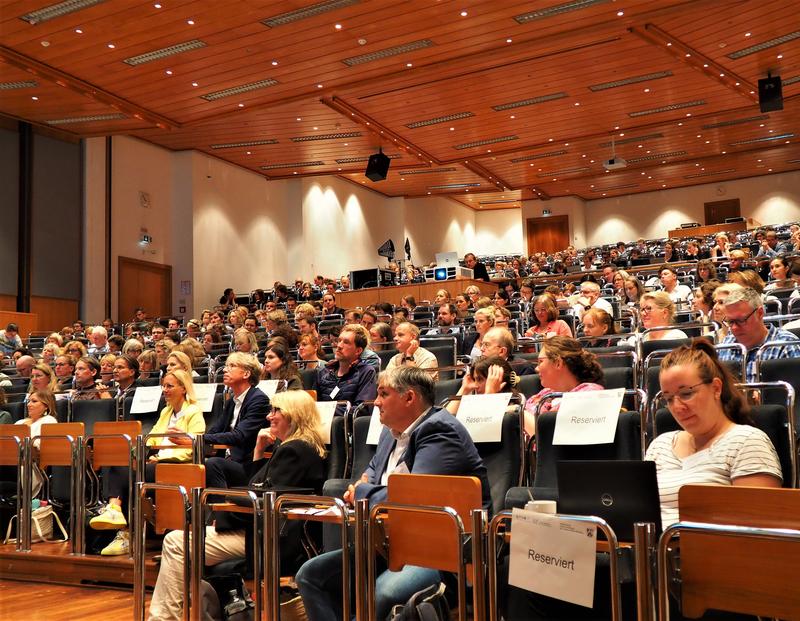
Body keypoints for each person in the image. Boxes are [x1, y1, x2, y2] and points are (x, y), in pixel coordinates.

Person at [295, 366, 491, 621]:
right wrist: (367, 488)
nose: (375, 402)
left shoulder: (440, 431)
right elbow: (370, 475)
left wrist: (364, 490)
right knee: (310, 576)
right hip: (390, 544)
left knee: (386, 593)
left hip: (441, 552)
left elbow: (410, 497)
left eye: (383, 394)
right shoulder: (390, 434)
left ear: (409, 398)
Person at [148, 390, 326, 620]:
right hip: (259, 531)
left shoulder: (295, 450)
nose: (269, 417)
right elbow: (255, 486)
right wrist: (259, 450)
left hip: (269, 538)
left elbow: (263, 500)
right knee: (181, 542)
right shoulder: (294, 447)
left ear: (295, 415)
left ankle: (164, 618)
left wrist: (223, 515)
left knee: (175, 543)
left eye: (276, 411)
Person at [645, 340, 781, 527]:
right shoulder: (659, 445)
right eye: (668, 399)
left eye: (686, 394)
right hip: (651, 552)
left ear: (716, 388)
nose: (677, 407)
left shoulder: (747, 442)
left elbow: (758, 531)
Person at [200, 352, 269, 490]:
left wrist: (200, 438)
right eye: (226, 366)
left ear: (246, 374)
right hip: (229, 460)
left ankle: (221, 508)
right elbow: (216, 429)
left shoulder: (259, 399)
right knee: (194, 466)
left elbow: (239, 436)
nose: (225, 369)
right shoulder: (232, 400)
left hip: (248, 465)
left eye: (232, 366)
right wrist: (195, 439)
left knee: (213, 464)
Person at [523, 337, 605, 437]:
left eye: (541, 361)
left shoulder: (590, 393)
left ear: (558, 363)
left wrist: (520, 414)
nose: (536, 368)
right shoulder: (545, 393)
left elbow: (548, 436)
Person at [716, 287, 800, 383]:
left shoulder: (786, 345)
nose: (734, 328)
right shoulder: (725, 345)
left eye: (741, 320)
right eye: (730, 321)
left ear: (760, 313)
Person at [314, 324, 377, 406]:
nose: (339, 346)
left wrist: (328, 410)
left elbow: (362, 409)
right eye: (339, 340)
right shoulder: (323, 372)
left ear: (358, 351)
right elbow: (313, 406)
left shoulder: (366, 372)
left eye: (346, 342)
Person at [446, 356, 521, 414]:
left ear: (499, 379)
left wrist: (489, 393)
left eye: (480, 379)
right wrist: (464, 389)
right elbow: (444, 422)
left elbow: (481, 422)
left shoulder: (514, 405)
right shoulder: (473, 403)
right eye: (474, 379)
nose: (475, 385)